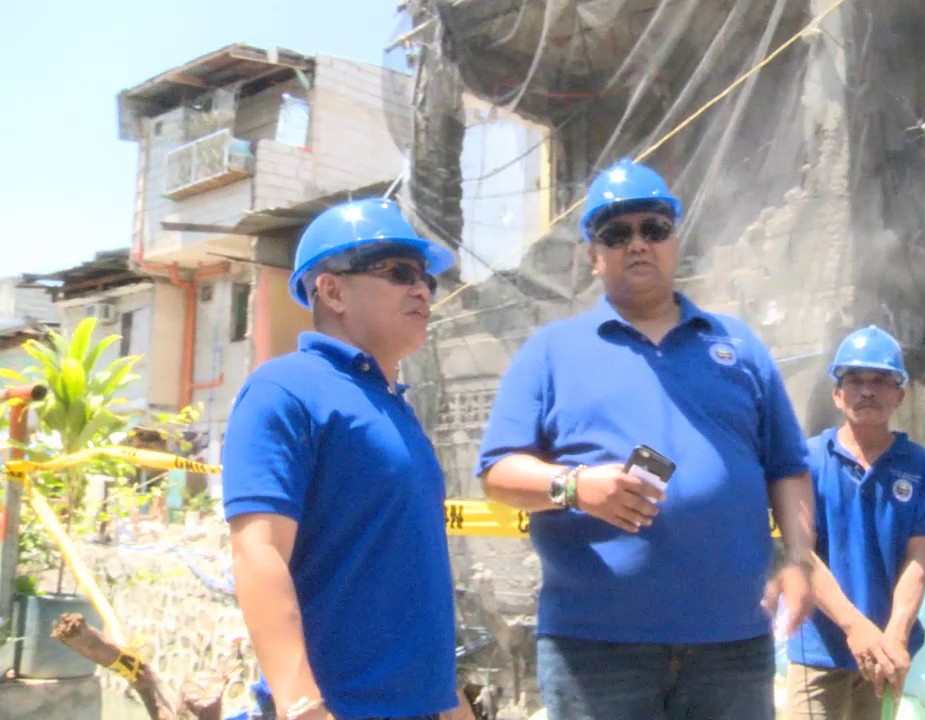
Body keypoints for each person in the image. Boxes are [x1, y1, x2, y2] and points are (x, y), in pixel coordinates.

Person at [475, 157, 816, 720]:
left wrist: (800, 561)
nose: (637, 243)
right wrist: (575, 487)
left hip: (730, 645)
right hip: (597, 653)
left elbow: (788, 467)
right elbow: (497, 475)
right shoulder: (550, 353)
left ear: (675, 242)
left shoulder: (740, 348)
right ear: (593, 256)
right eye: (616, 233)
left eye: (653, 229)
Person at [221, 198, 471, 720]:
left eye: (428, 279)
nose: (422, 289)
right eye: (399, 272)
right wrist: (301, 703)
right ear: (331, 290)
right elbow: (257, 550)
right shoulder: (284, 388)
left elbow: (410, 571)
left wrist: (451, 705)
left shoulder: (393, 406)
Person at [787, 326, 925, 720]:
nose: (867, 391)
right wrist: (856, 628)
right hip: (819, 649)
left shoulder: (919, 466)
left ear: (899, 395)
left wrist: (896, 633)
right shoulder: (808, 462)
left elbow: (918, 558)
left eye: (880, 381)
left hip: (887, 649)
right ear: (837, 395)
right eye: (854, 381)